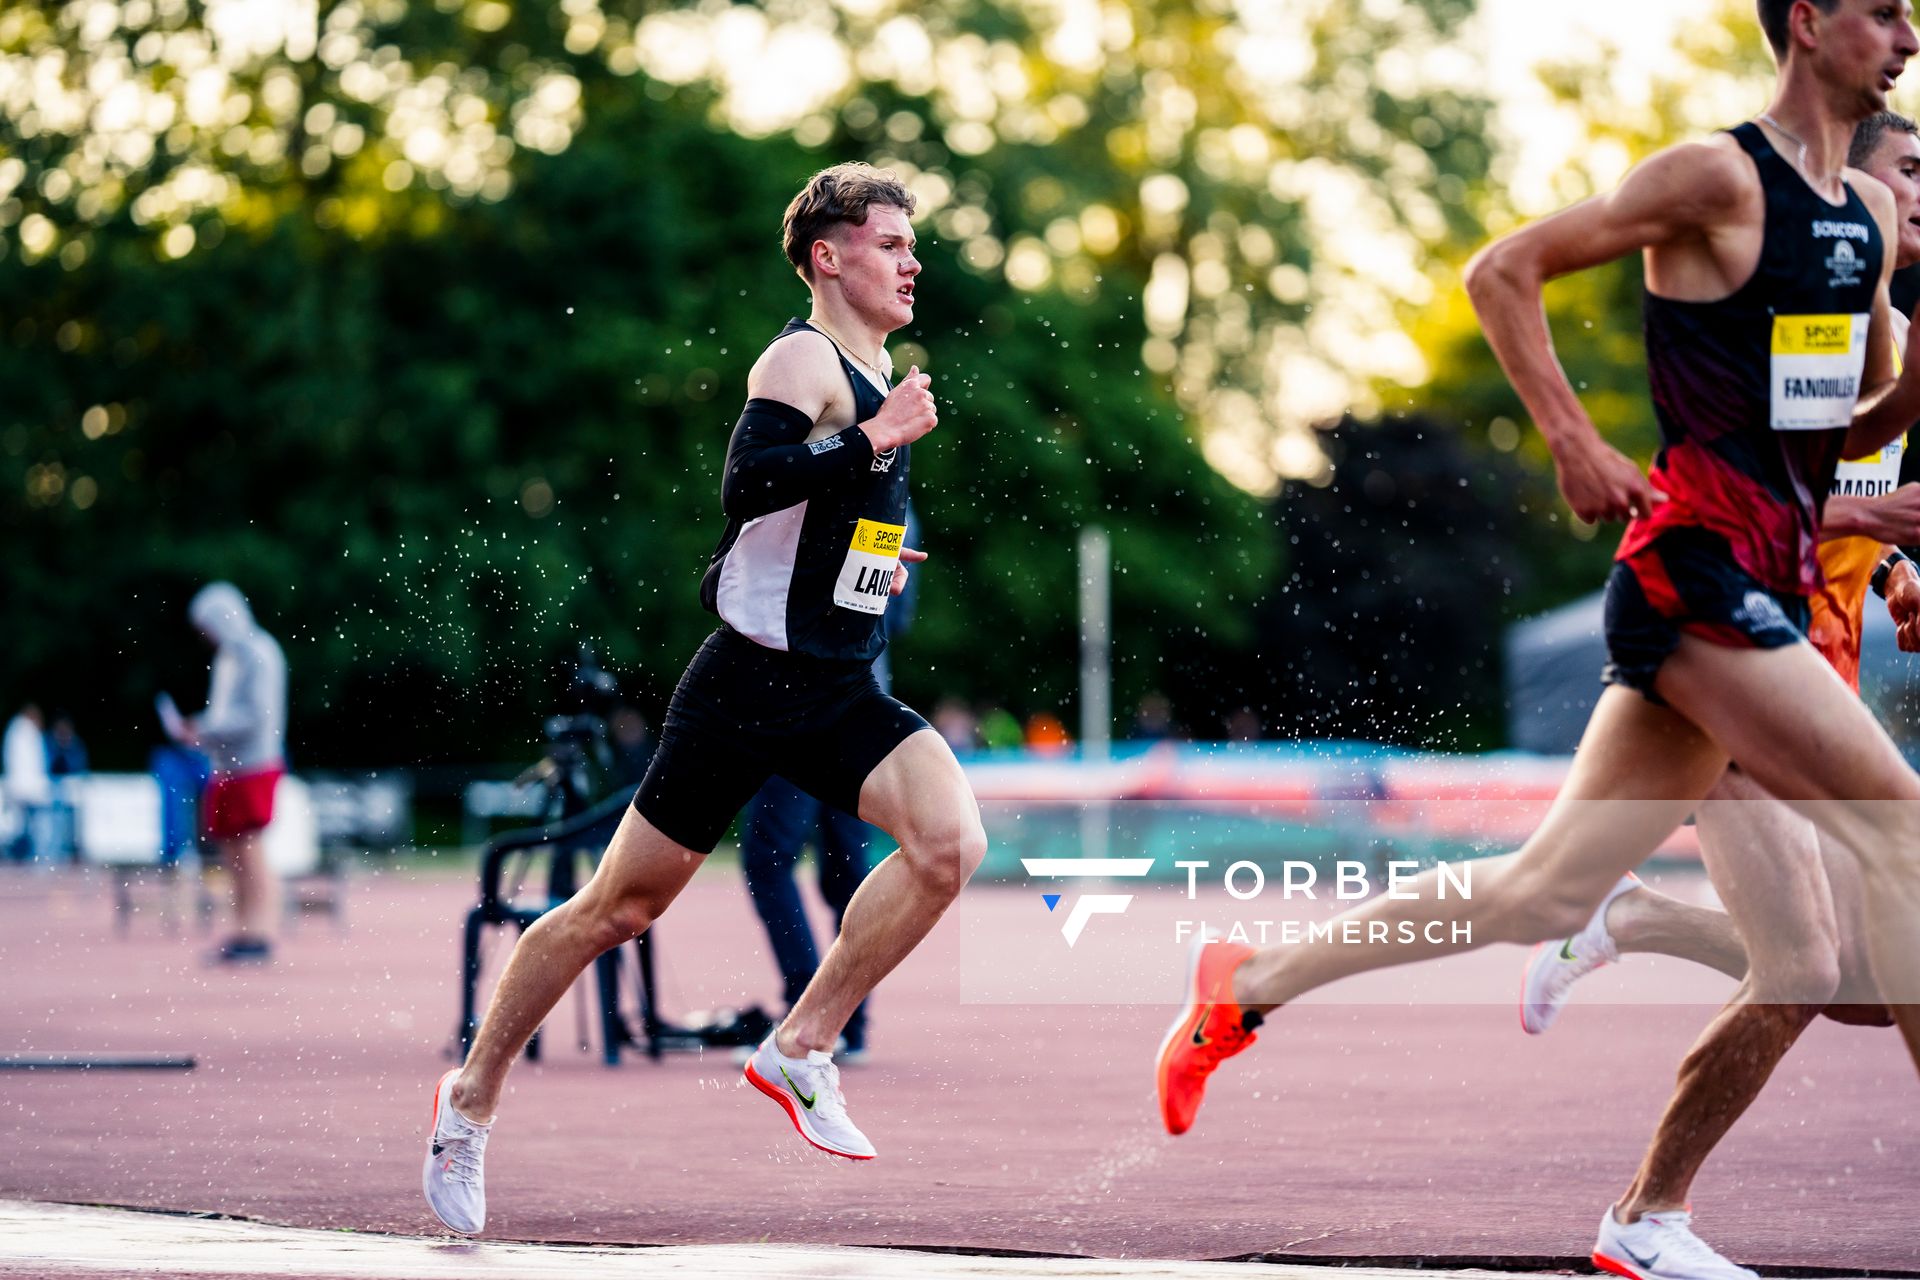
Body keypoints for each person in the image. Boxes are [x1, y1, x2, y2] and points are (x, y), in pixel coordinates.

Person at [1157, 5, 1920, 1278]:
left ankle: (1242, 988)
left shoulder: (1866, 227)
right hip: (1695, 573)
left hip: (1762, 593)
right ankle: (1646, 1214)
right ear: (1805, 21)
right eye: (1881, 8)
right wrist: (1571, 434)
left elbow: (1828, 434)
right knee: (1898, 829)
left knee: (1551, 893)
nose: (1905, 30)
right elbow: (1500, 268)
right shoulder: (1716, 174)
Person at [423, 163, 987, 1236]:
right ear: (829, 256)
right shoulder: (804, 357)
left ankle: (802, 1044)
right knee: (617, 909)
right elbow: (748, 483)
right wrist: (877, 439)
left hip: (836, 683)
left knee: (950, 846)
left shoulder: (880, 371)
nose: (913, 261)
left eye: (914, 245)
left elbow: (814, 514)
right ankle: (470, 1097)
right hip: (744, 685)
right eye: (889, 242)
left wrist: (872, 556)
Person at [1507, 109, 1920, 1275]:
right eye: (1905, 169)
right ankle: (1645, 1217)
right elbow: (1758, 485)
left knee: (1856, 987)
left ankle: (1627, 919)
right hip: (1725, 639)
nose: (1919, 190)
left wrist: (1888, 564)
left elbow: (1828, 484)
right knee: (1814, 964)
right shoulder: (1805, 283)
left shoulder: (1878, 322)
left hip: (1805, 652)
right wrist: (1870, 522)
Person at [170, 583, 288, 965]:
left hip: (253, 764)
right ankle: (243, 929)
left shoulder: (257, 653)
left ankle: (262, 931)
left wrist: (203, 729)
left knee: (250, 849)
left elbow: (255, 717)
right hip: (228, 764)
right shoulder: (231, 656)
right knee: (233, 852)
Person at [2, 702, 52, 866]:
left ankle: (25, 858)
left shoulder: (16, 732)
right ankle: (35, 859)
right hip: (27, 788)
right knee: (31, 827)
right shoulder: (26, 733)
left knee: (22, 826)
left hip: (21, 786)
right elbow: (31, 764)